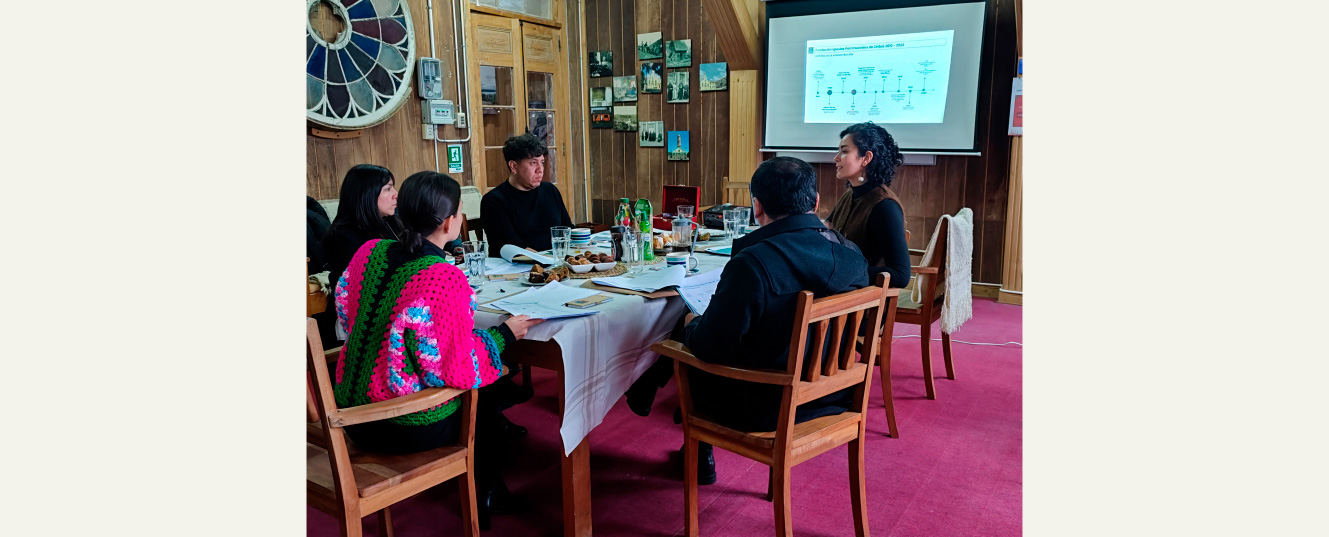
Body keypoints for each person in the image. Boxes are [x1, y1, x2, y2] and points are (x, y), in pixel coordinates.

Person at [628, 157, 870, 484]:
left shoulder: (753, 263)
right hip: (833, 397)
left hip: (764, 405)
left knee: (690, 327)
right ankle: (648, 396)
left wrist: (691, 324)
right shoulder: (852, 253)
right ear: (815, 202)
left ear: (756, 206)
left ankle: (693, 446)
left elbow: (711, 349)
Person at [332, 171, 543, 530]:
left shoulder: (369, 252)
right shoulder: (442, 276)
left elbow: (345, 314)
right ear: (450, 222)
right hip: (400, 423)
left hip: (351, 413)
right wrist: (504, 335)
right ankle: (486, 490)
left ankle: (489, 487)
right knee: (485, 388)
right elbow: (456, 369)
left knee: (486, 381)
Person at [825, 122, 912, 288]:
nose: (836, 158)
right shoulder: (850, 195)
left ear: (866, 158)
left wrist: (844, 272)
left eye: (844, 151)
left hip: (863, 298)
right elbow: (826, 231)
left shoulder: (885, 206)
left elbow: (901, 275)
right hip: (842, 289)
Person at [480, 134, 574, 256]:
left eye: (542, 162)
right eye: (533, 163)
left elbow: (568, 230)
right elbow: (514, 248)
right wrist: (552, 259)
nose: (540, 170)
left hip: (555, 261)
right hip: (516, 265)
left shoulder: (550, 190)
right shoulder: (494, 201)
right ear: (514, 166)